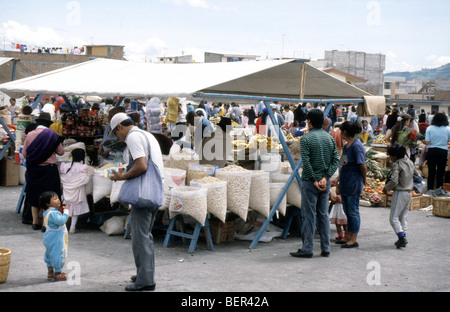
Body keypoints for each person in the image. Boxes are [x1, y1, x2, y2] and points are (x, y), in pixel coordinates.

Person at [109, 112, 164, 291]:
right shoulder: (146, 134)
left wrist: (122, 176)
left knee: (140, 238)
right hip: (154, 190)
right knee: (144, 236)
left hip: (143, 194)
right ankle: (144, 273)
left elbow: (141, 165)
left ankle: (145, 281)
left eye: (116, 133)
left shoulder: (133, 137)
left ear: (119, 127)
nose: (119, 137)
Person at [290, 109, 339, 258]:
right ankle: (326, 248)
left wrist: (314, 180)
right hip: (325, 183)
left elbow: (307, 162)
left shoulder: (306, 139)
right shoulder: (329, 138)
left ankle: (308, 248)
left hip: (310, 183)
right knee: (323, 215)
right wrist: (325, 177)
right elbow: (335, 160)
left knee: (309, 215)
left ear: (309, 121)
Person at [22, 112, 64, 231]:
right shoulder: (52, 135)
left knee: (34, 194)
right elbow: (61, 152)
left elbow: (24, 154)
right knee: (50, 196)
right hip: (48, 170)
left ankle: (35, 222)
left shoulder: (29, 134)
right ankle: (46, 224)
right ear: (48, 124)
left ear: (37, 122)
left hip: (34, 169)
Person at [332, 121, 367, 248]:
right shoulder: (346, 146)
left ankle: (354, 238)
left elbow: (362, 165)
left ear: (345, 132)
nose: (340, 133)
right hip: (346, 182)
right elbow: (343, 164)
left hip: (353, 183)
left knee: (353, 211)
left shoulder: (357, 146)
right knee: (347, 210)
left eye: (341, 131)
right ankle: (347, 236)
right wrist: (338, 179)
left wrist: (364, 179)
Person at [383, 144, 419, 248]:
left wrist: (386, 188)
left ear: (395, 156)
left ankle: (401, 237)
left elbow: (394, 180)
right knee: (403, 216)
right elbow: (417, 175)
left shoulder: (397, 164)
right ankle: (404, 236)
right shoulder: (410, 162)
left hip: (400, 192)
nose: (390, 158)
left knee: (393, 218)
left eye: (391, 155)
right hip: (409, 192)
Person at [39, 191, 69, 281]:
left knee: (49, 253)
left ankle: (50, 272)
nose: (58, 200)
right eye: (55, 199)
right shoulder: (54, 213)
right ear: (47, 203)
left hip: (49, 236)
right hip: (56, 238)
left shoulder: (47, 212)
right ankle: (58, 273)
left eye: (58, 198)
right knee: (57, 253)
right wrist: (66, 212)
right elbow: (61, 221)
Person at [59, 148, 91, 234]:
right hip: (77, 192)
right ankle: (72, 227)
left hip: (67, 192)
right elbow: (85, 179)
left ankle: (64, 226)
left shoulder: (65, 166)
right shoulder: (83, 167)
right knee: (76, 210)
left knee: (67, 209)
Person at [424, 112, 450, 190]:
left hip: (432, 151)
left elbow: (427, 142)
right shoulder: (448, 129)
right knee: (440, 173)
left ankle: (430, 190)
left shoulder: (429, 128)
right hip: (443, 151)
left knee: (431, 173)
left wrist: (423, 141)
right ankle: (439, 190)